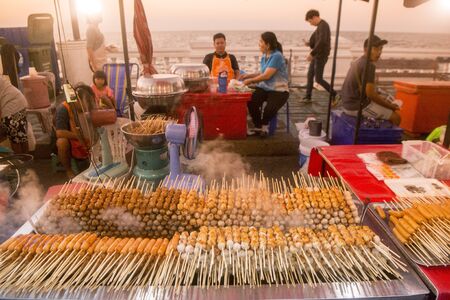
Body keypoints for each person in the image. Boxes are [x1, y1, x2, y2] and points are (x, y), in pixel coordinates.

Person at [340, 35, 401, 125]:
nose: (379, 52)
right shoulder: (369, 65)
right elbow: (370, 94)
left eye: (381, 49)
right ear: (366, 49)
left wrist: (383, 100)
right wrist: (391, 106)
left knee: (383, 102)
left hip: (346, 103)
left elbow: (366, 91)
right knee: (396, 117)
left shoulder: (357, 61)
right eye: (376, 49)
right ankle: (386, 138)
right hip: (355, 107)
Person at [242, 32, 289, 137]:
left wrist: (250, 81)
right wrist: (247, 76)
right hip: (265, 88)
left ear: (267, 45)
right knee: (251, 100)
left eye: (261, 41)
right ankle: (258, 126)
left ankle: (264, 127)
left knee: (269, 109)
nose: (259, 44)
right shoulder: (264, 55)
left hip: (279, 90)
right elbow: (262, 72)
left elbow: (267, 76)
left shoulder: (277, 56)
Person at [55, 85, 96, 179]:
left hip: (85, 139)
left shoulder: (86, 109)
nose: (87, 105)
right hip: (71, 140)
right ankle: (68, 170)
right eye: (85, 101)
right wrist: (79, 136)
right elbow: (59, 133)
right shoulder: (63, 108)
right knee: (62, 142)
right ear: (76, 99)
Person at [303, 9, 338, 104]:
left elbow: (322, 41)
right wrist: (308, 43)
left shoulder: (323, 26)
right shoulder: (320, 27)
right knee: (310, 75)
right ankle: (307, 96)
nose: (310, 24)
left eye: (310, 21)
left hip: (321, 56)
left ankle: (335, 94)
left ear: (314, 17)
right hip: (317, 55)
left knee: (318, 79)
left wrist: (312, 54)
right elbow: (316, 41)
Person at [0, 77, 28, 153]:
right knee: (22, 137)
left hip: (10, 107)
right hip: (20, 102)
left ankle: (20, 163)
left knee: (15, 139)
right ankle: (27, 162)